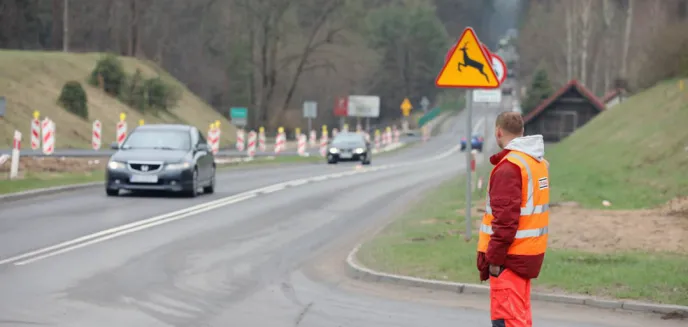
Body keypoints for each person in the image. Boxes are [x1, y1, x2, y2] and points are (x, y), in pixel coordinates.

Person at [476, 112, 549, 327]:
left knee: (507, 321)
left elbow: (505, 221)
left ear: (498, 132)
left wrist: (495, 260)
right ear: (522, 132)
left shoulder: (509, 168)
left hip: (509, 259)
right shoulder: (536, 163)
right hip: (527, 254)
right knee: (519, 320)